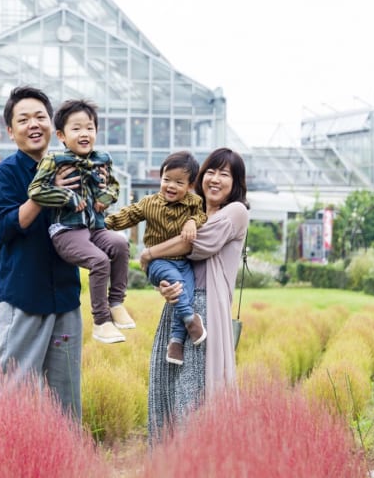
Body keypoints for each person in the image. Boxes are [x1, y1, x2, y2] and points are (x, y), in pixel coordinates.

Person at [0, 86, 83, 420]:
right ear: (11, 131)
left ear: (53, 127)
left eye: (40, 116)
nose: (33, 124)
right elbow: (8, 227)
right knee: (8, 392)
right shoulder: (3, 175)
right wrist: (45, 193)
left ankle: (64, 465)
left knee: (65, 401)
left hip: (66, 298)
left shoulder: (70, 169)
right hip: (23, 298)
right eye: (23, 119)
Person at [139, 147, 249, 445]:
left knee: (192, 393)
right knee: (165, 387)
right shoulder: (190, 212)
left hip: (205, 311)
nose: (214, 179)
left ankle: (194, 463)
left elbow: (193, 246)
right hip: (178, 307)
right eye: (210, 172)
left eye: (224, 174)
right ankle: (165, 464)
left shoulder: (235, 212)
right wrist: (162, 282)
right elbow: (172, 261)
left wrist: (148, 253)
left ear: (235, 182)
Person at [27, 99, 134, 344]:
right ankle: (101, 321)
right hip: (66, 230)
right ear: (62, 135)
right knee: (99, 261)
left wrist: (105, 197)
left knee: (119, 244)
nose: (84, 133)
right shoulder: (54, 161)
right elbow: (35, 190)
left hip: (94, 227)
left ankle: (116, 303)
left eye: (89, 128)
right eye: (76, 129)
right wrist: (67, 196)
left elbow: (114, 186)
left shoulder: (102, 159)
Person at [105, 151, 208, 364]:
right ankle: (190, 320)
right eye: (166, 179)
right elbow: (128, 215)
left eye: (179, 182)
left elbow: (201, 216)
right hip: (158, 262)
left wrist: (192, 222)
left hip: (183, 263)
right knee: (179, 288)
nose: (171, 186)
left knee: (185, 296)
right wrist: (103, 223)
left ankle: (175, 343)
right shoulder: (149, 203)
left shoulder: (194, 202)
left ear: (189, 186)